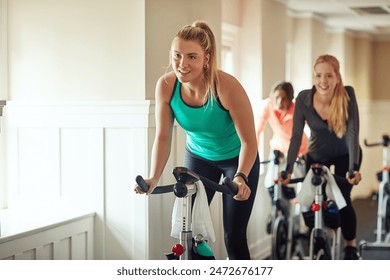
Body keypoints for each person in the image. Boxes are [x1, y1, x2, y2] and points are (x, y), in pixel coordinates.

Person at [134, 21, 260, 260]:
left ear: (207, 59)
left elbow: (249, 142)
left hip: (237, 159)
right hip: (199, 157)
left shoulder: (226, 86)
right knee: (188, 232)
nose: (183, 64)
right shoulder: (166, 86)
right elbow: (162, 136)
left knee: (233, 237)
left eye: (192, 57)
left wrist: (241, 176)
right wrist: (153, 177)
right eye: (177, 56)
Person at [279, 54, 362, 260]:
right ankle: (319, 230)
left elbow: (352, 133)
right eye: (318, 75)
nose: (323, 81)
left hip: (345, 154)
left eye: (328, 75)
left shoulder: (347, 95)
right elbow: (297, 137)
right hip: (317, 155)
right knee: (312, 200)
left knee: (342, 198)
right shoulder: (304, 99)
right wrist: (288, 169)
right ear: (313, 77)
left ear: (337, 77)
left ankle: (350, 247)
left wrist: (352, 169)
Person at [256, 81, 308, 200]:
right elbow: (258, 130)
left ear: (290, 99)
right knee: (270, 182)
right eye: (277, 97)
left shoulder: (296, 110)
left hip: (299, 149)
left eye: (284, 98)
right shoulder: (268, 106)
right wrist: (254, 154)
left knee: (302, 184)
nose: (279, 101)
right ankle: (279, 210)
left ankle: (297, 207)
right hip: (278, 147)